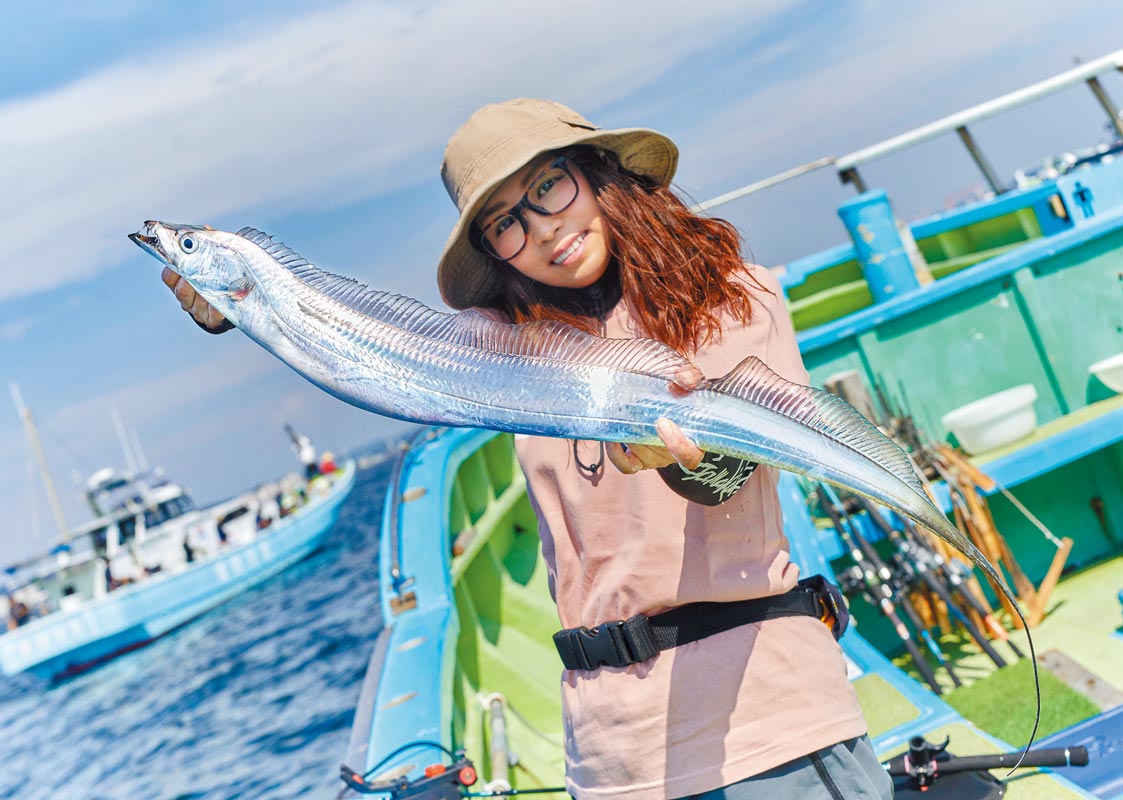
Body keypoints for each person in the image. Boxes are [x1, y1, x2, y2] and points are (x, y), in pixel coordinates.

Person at [162, 98, 891, 800]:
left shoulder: (731, 296)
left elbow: (738, 471)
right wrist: (249, 310)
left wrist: (687, 463)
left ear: (597, 174)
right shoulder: (505, 353)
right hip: (613, 755)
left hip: (770, 725)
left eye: (549, 187)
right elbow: (366, 347)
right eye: (506, 222)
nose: (543, 228)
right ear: (491, 250)